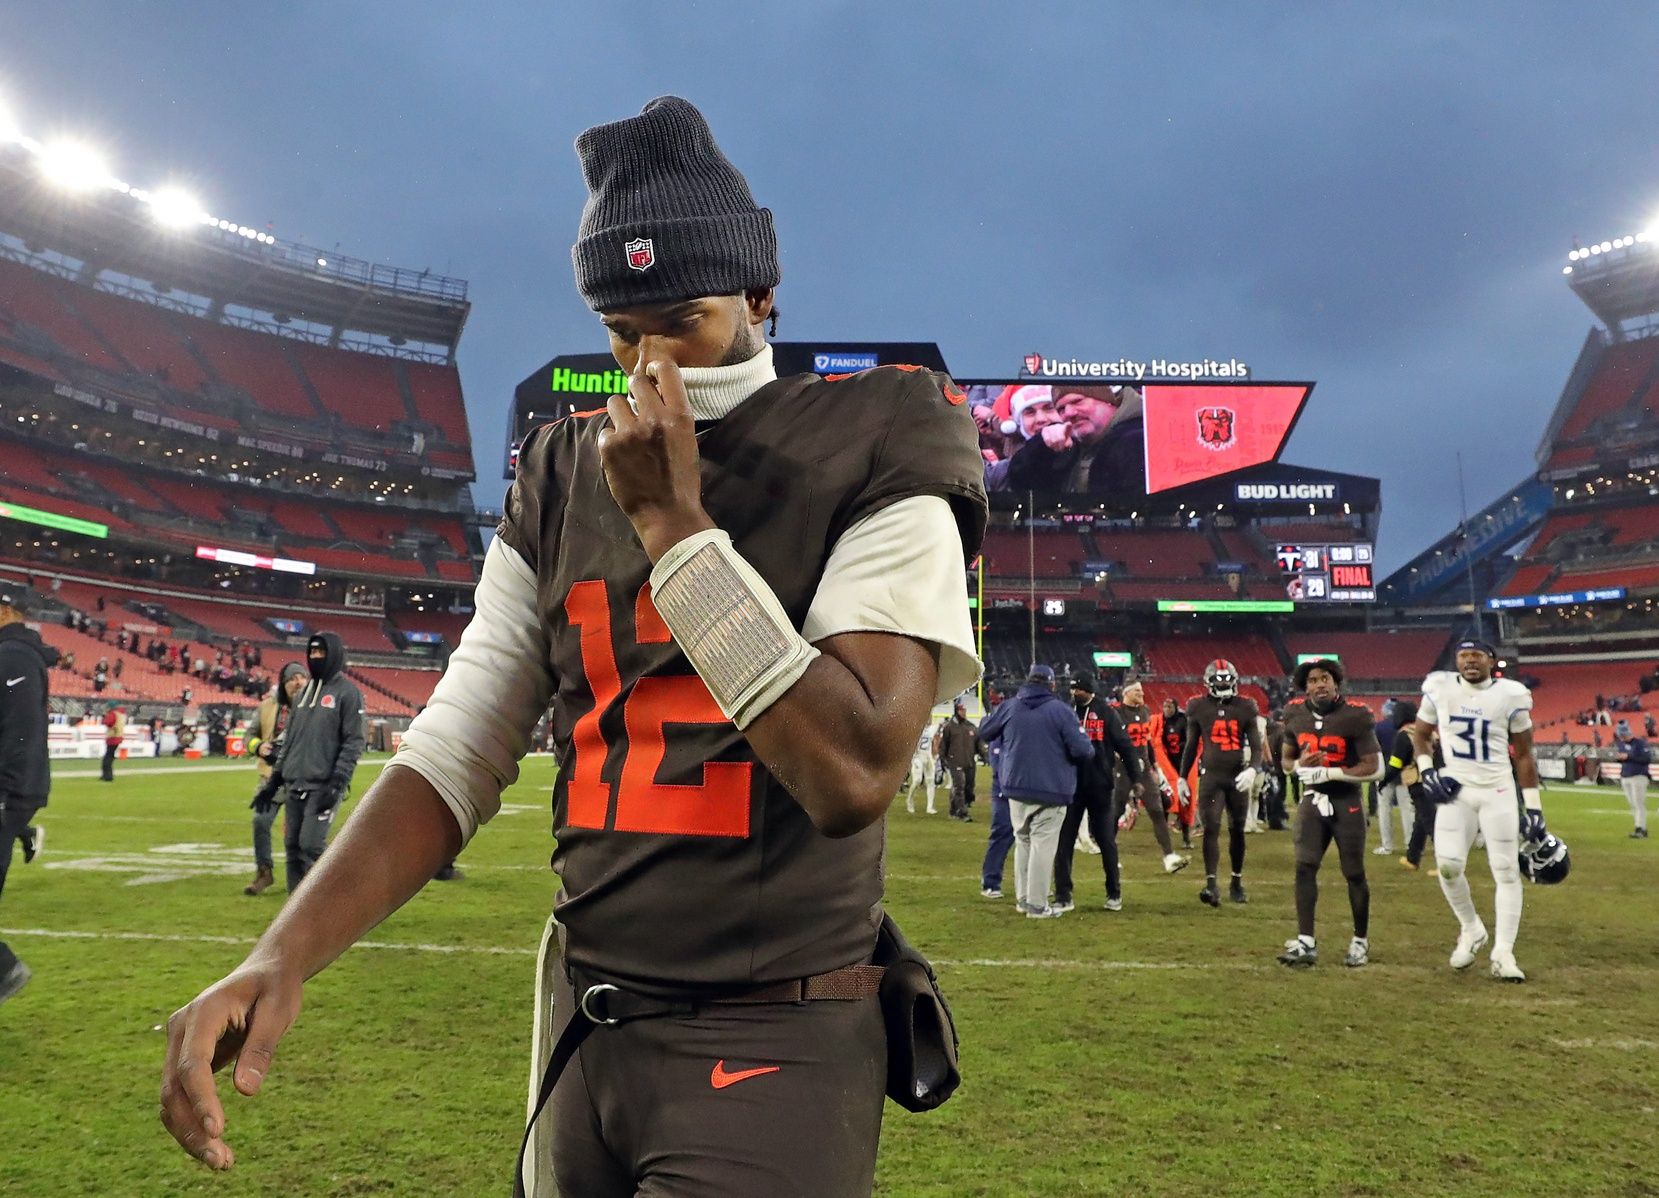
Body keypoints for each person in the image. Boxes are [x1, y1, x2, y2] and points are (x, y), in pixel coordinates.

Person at [161, 96, 986, 1196]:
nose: (649, 368)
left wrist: (676, 529)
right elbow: (456, 748)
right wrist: (282, 952)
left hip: (775, 1027)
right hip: (583, 1022)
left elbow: (854, 766)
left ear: (761, 295)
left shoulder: (881, 430)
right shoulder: (555, 471)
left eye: (681, 324)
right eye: (618, 333)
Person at [1408, 639, 1545, 982]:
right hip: (1457, 789)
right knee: (1448, 867)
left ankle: (1504, 952)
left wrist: (1533, 807)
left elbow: (1525, 753)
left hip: (1497, 789)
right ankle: (1471, 929)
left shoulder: (1510, 694)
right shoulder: (1439, 687)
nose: (1469, 661)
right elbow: (1421, 735)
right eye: (1463, 656)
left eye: (1477, 656)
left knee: (1506, 870)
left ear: (1491, 661)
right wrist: (1427, 771)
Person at [1275, 660, 1382, 969]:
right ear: (1305, 686)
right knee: (1304, 867)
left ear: (1336, 683)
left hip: (1345, 801)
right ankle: (1306, 941)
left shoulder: (1355, 716)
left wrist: (1332, 773)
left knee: (1353, 872)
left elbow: (1372, 765)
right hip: (1313, 800)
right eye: (1312, 680)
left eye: (1325, 679)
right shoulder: (1295, 713)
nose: (1319, 684)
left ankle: (1360, 940)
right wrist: (1300, 767)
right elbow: (1286, 760)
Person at [979, 665, 1096, 917]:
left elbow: (985, 731)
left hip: (1015, 787)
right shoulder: (1061, 712)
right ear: (1052, 685)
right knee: (1043, 846)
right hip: (1052, 788)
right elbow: (1083, 750)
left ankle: (1023, 900)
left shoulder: (1010, 706)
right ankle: (1036, 904)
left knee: (1023, 841)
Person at [251, 633, 365, 892]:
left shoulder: (348, 694)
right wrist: (273, 783)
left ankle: (347, 893)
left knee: (311, 845)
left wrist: (338, 782)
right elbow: (290, 742)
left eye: (321, 653)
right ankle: (296, 908)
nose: (315, 658)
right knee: (292, 848)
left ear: (334, 654)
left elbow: (354, 741)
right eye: (312, 653)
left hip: (323, 785)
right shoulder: (302, 696)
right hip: (294, 784)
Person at [0, 589, 57, 1004]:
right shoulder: (15, 654)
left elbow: (21, 731)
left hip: (8, 791)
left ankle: (4, 969)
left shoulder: (14, 657)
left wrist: (6, 792)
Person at [1050, 672, 1140, 913]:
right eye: (1071, 689)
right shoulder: (1066, 711)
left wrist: (1136, 778)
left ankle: (1114, 892)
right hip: (1070, 786)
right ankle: (1063, 894)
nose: (1073, 693)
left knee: (1105, 840)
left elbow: (1125, 746)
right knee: (1064, 840)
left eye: (1078, 689)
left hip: (1100, 785)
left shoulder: (1106, 712)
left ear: (1089, 690)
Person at [1178, 659, 1263, 907]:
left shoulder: (1246, 707)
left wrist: (1253, 769)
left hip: (1237, 776)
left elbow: (1256, 747)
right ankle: (1212, 884)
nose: (1224, 685)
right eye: (1219, 681)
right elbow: (1192, 746)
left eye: (1227, 680)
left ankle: (1236, 882)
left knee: (1237, 828)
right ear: (1208, 683)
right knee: (1211, 826)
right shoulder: (1198, 707)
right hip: (1212, 777)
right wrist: (1183, 777)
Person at [1111, 681, 1190, 874]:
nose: (1142, 693)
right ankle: (1110, 855)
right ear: (1127, 693)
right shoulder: (1116, 712)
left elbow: (1147, 743)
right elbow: (1109, 740)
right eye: (1137, 691)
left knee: (1156, 809)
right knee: (1116, 810)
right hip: (1123, 767)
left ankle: (1169, 857)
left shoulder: (1145, 711)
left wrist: (1155, 767)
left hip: (1144, 768)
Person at [243, 663, 305, 896]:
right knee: (260, 821)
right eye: (293, 678)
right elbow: (249, 735)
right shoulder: (266, 706)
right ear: (284, 683)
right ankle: (264, 871)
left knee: (300, 833)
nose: (298, 682)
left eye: (302, 677)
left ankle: (303, 878)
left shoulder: (314, 707)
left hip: (302, 777)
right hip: (271, 777)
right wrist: (258, 747)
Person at [1149, 696, 1196, 848]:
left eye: (1170, 707)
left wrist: (1183, 746)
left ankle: (1186, 838)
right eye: (1165, 706)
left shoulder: (1184, 721)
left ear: (1176, 707)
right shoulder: (1161, 722)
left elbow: (1191, 740)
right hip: (1167, 767)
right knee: (1165, 800)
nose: (1167, 710)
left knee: (1185, 803)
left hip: (1183, 766)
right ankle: (1163, 838)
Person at [935, 701, 985, 821]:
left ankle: (953, 810)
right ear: (957, 711)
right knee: (959, 786)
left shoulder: (971, 726)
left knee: (968, 787)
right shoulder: (949, 727)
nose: (964, 713)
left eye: (965, 710)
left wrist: (985, 755)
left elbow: (979, 744)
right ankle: (962, 813)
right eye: (962, 710)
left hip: (969, 762)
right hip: (955, 761)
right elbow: (943, 746)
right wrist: (943, 760)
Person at [901, 720, 939, 814]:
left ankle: (929, 807)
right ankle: (909, 800)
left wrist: (935, 754)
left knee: (931, 781)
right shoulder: (916, 728)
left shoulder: (931, 729)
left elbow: (935, 740)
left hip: (928, 756)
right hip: (918, 757)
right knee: (917, 780)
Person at [1619, 735, 1650, 839]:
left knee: (1638, 804)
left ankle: (1640, 828)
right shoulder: (1622, 744)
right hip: (1626, 776)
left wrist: (1629, 757)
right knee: (1633, 804)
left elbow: (1646, 759)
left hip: (1638, 776)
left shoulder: (1640, 744)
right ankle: (1639, 827)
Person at [100, 702, 127, 782]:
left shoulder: (112, 714)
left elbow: (107, 723)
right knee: (110, 757)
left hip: (112, 737)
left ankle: (107, 776)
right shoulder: (121, 714)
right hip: (118, 736)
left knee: (107, 758)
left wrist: (104, 717)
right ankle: (107, 775)